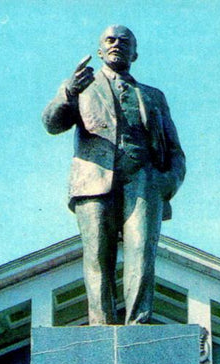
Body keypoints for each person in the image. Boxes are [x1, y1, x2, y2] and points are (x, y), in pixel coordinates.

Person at [42, 25, 185, 325]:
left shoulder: (154, 96)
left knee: (142, 256)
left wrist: (166, 182)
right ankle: (101, 326)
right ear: (100, 50)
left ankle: (138, 325)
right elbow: (52, 123)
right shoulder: (81, 87)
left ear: (135, 52)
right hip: (94, 183)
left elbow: (176, 153)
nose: (117, 44)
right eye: (110, 40)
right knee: (97, 258)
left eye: (124, 41)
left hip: (144, 183)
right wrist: (69, 92)